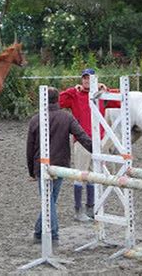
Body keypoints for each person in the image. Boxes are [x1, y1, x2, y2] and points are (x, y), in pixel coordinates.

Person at [27, 87, 92, 245]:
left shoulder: (35, 119)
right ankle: (38, 232)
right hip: (61, 164)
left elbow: (30, 147)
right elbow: (82, 136)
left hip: (41, 165)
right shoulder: (67, 117)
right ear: (57, 100)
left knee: (48, 200)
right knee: (51, 200)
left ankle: (53, 234)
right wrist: (95, 150)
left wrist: (31, 170)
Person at [59, 68, 120, 221]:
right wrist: (72, 89)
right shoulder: (75, 95)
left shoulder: (100, 95)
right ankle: (78, 210)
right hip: (82, 141)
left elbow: (119, 99)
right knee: (80, 175)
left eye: (89, 78)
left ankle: (91, 207)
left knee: (94, 175)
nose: (86, 81)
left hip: (99, 142)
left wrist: (106, 89)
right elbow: (59, 100)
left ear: (95, 80)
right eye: (84, 78)